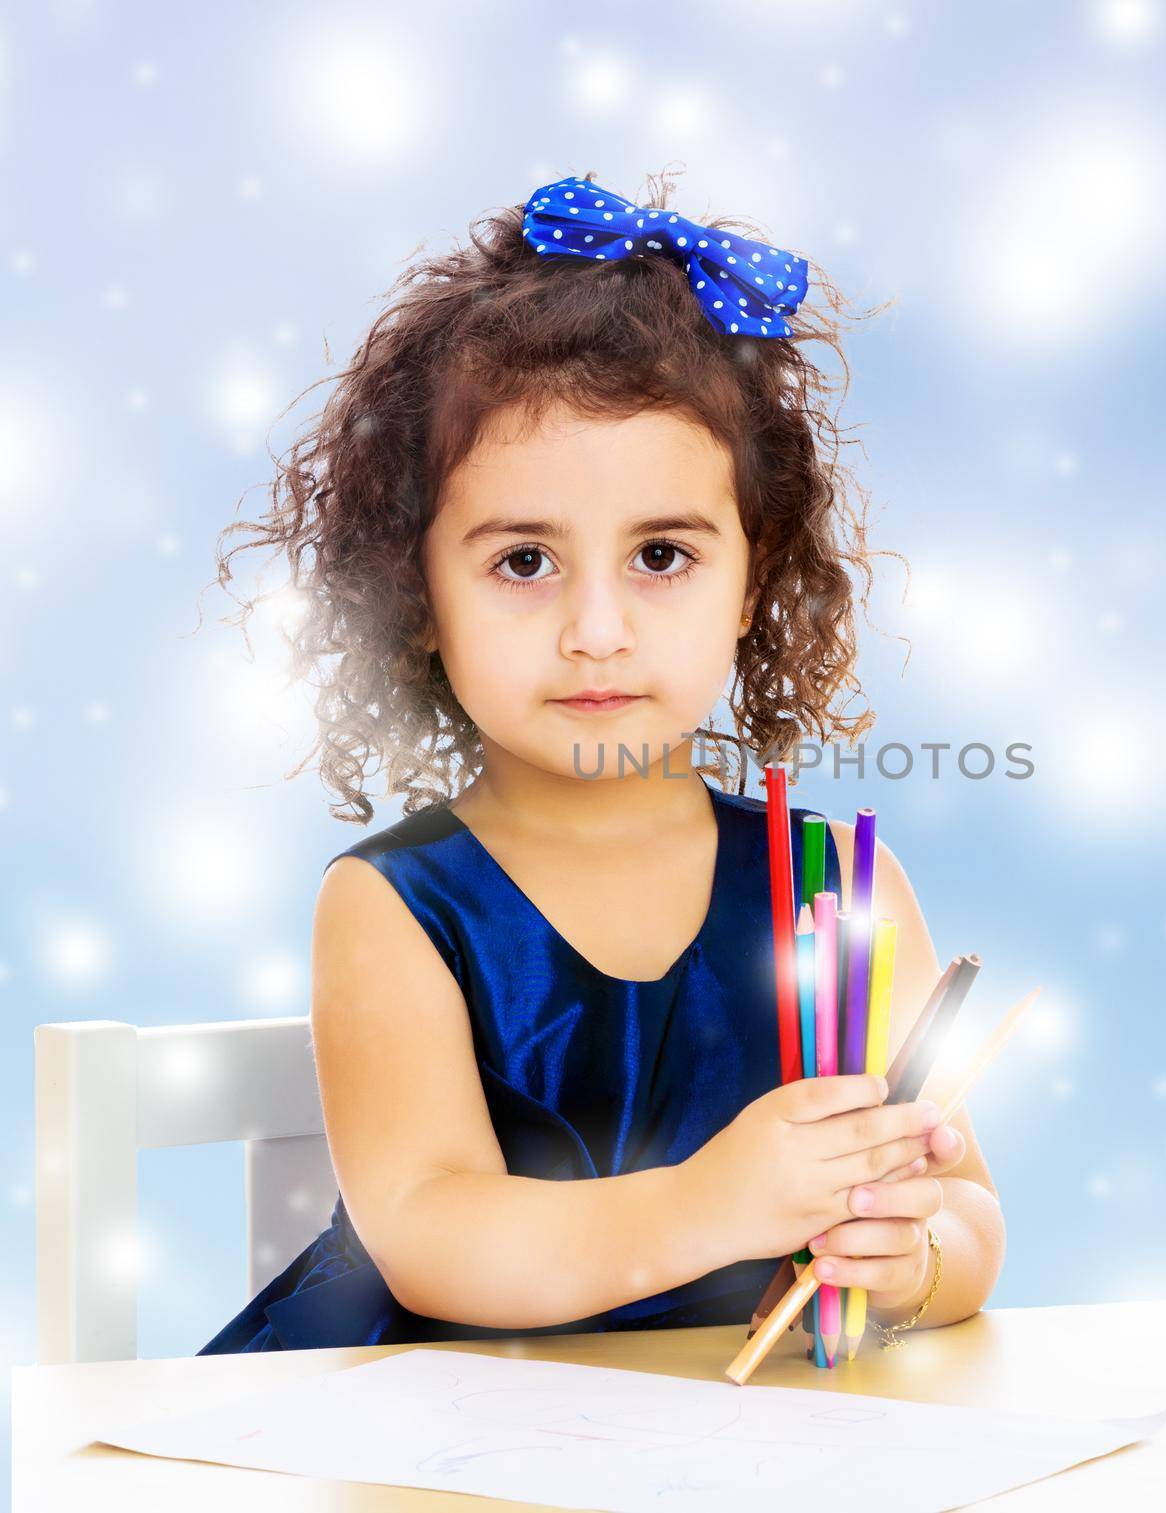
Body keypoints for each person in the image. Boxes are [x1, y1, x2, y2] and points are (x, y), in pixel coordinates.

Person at [195, 167, 1005, 1354]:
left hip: (733, 1442)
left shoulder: (843, 887)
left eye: (662, 555)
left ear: (754, 575)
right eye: (524, 562)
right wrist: (704, 1206)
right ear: (416, 593)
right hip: (426, 1430)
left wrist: (911, 1256)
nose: (597, 629)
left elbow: (969, 1216)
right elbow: (426, 1231)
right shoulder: (389, 906)